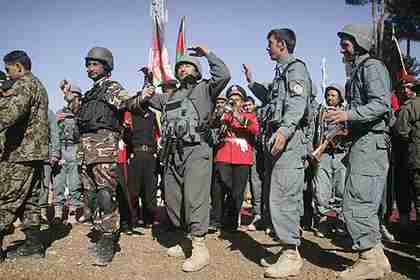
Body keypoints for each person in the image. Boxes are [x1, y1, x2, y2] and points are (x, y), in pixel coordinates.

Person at [140, 45, 230, 272]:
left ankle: (200, 247)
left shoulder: (206, 89)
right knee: (173, 197)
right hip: (173, 152)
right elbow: (150, 99)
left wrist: (208, 54)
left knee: (194, 196)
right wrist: (147, 81)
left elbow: (224, 74)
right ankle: (184, 239)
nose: (183, 70)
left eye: (188, 66)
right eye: (180, 67)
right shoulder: (170, 96)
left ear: (197, 70)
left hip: (197, 149)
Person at [326, 24, 392, 280]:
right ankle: (377, 258)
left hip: (370, 145)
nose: (341, 47)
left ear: (361, 43)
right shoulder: (360, 70)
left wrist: (348, 114)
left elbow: (380, 105)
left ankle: (368, 260)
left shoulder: (371, 67)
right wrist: (346, 125)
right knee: (361, 200)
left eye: (346, 42)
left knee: (356, 202)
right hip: (364, 142)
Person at [245, 28, 311, 278]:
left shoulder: (295, 69)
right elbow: (273, 98)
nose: (267, 47)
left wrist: (283, 132)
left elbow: (296, 104)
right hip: (279, 141)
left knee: (285, 196)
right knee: (277, 195)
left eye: (270, 43)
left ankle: (291, 254)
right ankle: (287, 249)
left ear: (282, 44)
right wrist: (252, 82)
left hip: (289, 142)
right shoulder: (282, 72)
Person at [77, 46, 146, 266]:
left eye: (95, 64)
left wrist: (144, 94)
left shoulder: (111, 87)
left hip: (104, 146)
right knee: (91, 195)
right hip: (86, 148)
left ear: (106, 66)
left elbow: (130, 103)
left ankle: (109, 239)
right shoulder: (91, 93)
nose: (90, 68)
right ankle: (100, 231)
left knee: (106, 194)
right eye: (88, 64)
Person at [0, 50, 49, 261]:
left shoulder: (24, 84)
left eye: (8, 69)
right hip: (33, 153)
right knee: (30, 201)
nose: (7, 74)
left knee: (5, 199)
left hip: (20, 153)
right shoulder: (37, 84)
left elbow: (10, 114)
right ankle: (33, 244)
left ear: (19, 66)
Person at [212, 85, 259, 232]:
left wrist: (238, 115)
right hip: (223, 154)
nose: (233, 101)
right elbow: (212, 124)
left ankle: (231, 223)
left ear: (243, 101)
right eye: (231, 99)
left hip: (242, 156)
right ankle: (216, 219)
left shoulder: (249, 115)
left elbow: (255, 129)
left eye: (237, 99)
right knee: (219, 188)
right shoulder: (224, 115)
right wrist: (219, 113)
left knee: (237, 192)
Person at [311, 84, 347, 238]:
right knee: (321, 190)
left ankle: (341, 222)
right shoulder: (321, 112)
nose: (330, 98)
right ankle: (324, 221)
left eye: (333, 95)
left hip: (341, 156)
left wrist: (339, 134)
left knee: (341, 190)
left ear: (340, 97)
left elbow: (348, 131)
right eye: (328, 95)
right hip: (324, 155)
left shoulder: (346, 113)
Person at [54, 82, 83, 224]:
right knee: (58, 182)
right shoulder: (60, 113)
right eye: (72, 96)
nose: (74, 99)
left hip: (75, 148)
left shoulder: (81, 113)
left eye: (76, 96)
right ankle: (58, 213)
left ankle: (72, 213)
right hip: (61, 149)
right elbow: (53, 134)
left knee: (74, 183)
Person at [394, 78, 420, 231]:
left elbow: (401, 130)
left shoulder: (410, 106)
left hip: (412, 157)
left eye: (408, 88)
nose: (405, 91)